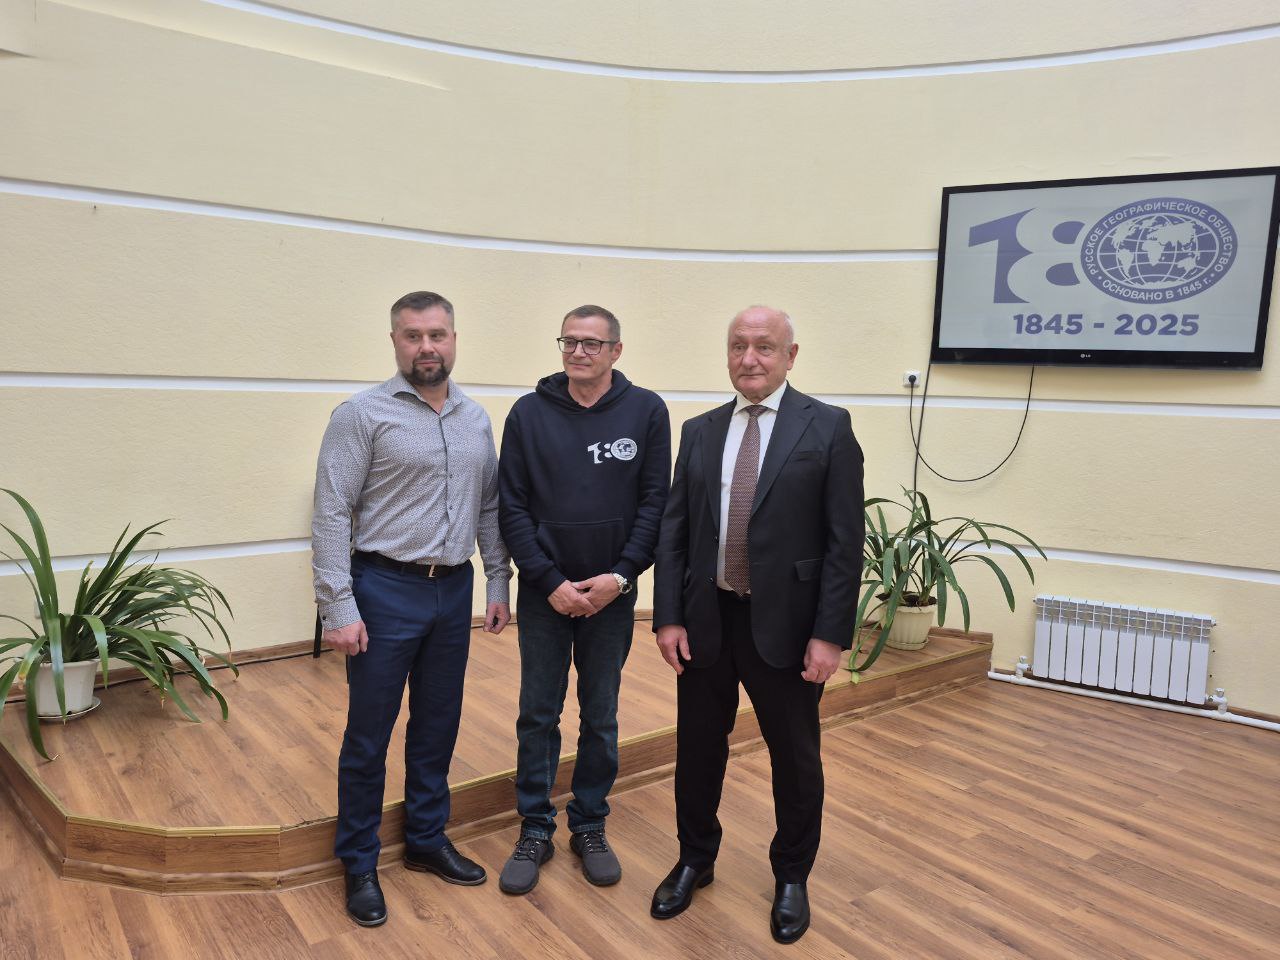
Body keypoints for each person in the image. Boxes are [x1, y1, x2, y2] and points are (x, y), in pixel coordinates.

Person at [649, 305, 864, 944]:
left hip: (790, 631)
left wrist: (830, 633)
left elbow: (844, 542)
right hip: (707, 622)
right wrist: (668, 617)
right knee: (697, 752)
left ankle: (792, 874)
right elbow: (675, 532)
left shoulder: (828, 427)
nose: (749, 358)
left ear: (790, 356)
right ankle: (695, 859)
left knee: (794, 760)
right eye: (739, 345)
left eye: (765, 347)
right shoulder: (699, 431)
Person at [312, 290, 513, 927]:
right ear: (395, 341)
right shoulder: (361, 414)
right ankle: (359, 860)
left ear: (454, 338)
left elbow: (489, 506)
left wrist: (497, 583)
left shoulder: (476, 419)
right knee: (369, 733)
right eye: (413, 335)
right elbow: (331, 512)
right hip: (383, 589)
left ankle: (426, 839)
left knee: (437, 724)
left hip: (452, 591)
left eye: (437, 334)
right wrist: (338, 606)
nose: (427, 346)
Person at [496, 305, 671, 894]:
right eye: (569, 341)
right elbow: (511, 506)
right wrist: (548, 581)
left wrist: (620, 576)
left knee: (601, 716)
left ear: (616, 350)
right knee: (537, 714)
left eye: (592, 343)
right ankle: (535, 828)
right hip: (544, 595)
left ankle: (590, 825)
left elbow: (655, 504)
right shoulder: (528, 413)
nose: (579, 352)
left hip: (612, 596)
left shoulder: (646, 411)